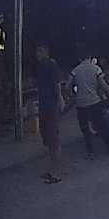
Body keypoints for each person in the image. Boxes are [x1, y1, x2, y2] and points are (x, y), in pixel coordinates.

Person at [69, 53, 109, 156]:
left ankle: (90, 151)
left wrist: (74, 96)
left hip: (80, 104)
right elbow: (103, 85)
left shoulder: (75, 71)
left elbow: (68, 85)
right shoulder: (96, 69)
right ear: (90, 58)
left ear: (80, 58)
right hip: (94, 102)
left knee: (85, 129)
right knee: (102, 125)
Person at [35, 44, 64, 183]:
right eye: (37, 51)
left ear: (45, 52)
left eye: (39, 51)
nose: (37, 54)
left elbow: (57, 84)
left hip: (51, 105)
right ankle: (52, 169)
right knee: (48, 138)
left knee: (53, 139)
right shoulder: (40, 66)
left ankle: (56, 172)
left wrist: (60, 99)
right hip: (44, 105)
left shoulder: (51, 64)